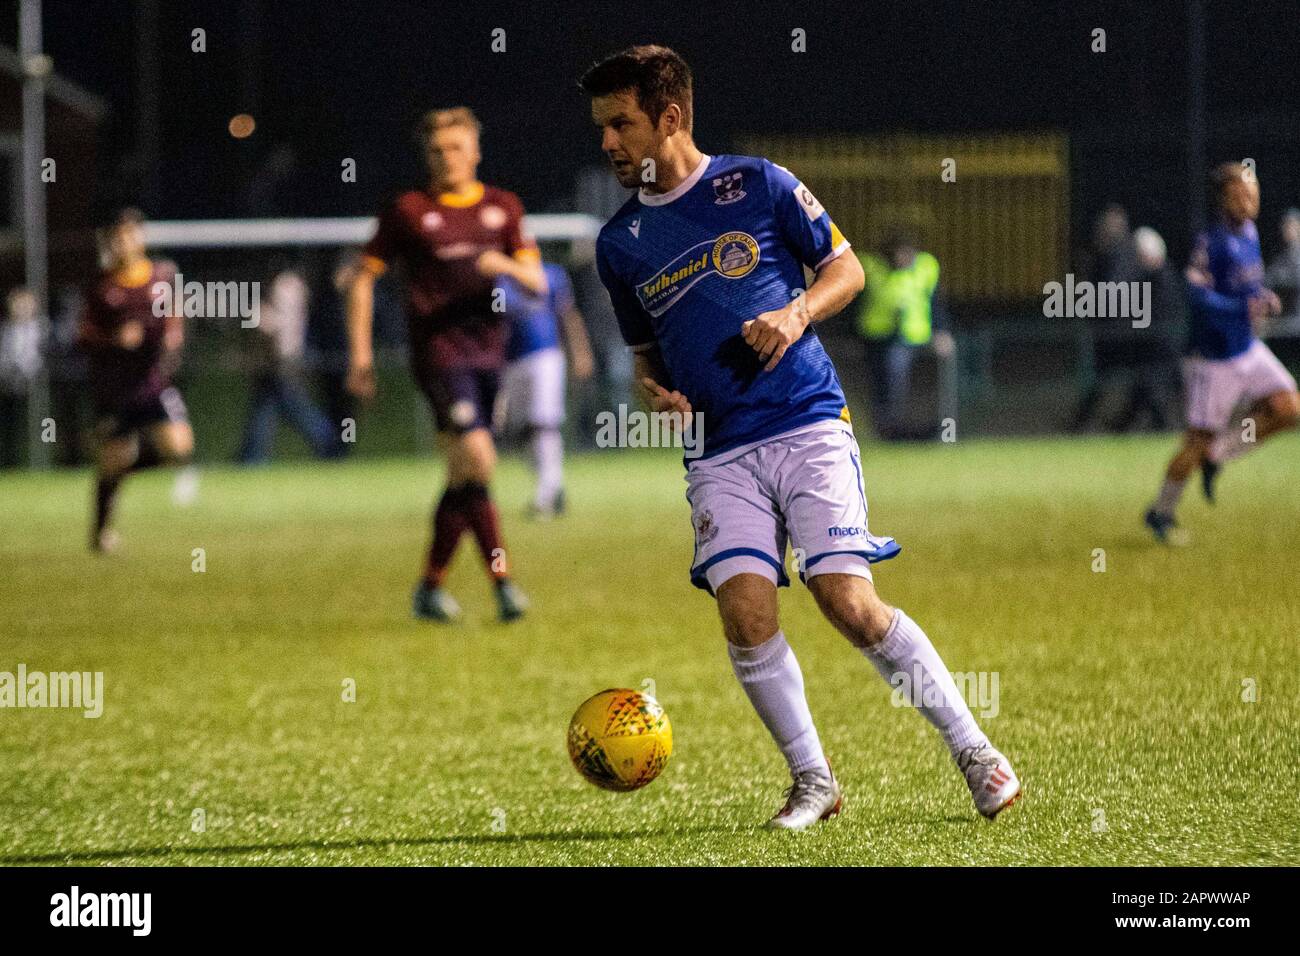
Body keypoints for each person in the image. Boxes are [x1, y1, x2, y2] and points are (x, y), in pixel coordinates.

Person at [585, 45, 1020, 830]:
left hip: (805, 420)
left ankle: (976, 752)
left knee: (846, 601)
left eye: (621, 125)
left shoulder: (756, 182)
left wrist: (795, 313)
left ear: (670, 118)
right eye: (602, 128)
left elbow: (845, 271)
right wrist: (656, 392)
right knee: (746, 613)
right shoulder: (618, 244)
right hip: (718, 450)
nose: (608, 143)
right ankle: (814, 782)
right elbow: (646, 350)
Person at [347, 107, 540, 623]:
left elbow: (538, 282)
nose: (446, 158)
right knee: (478, 458)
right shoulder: (408, 210)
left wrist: (503, 264)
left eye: (455, 148)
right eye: (436, 151)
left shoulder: (504, 207)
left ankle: (430, 587)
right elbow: (362, 279)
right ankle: (502, 583)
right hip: (438, 355)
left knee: (464, 473)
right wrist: (361, 355)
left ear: (475, 151)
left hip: (489, 354)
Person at [1145, 163, 1300, 544]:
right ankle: (1160, 513)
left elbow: (1246, 286)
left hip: (1248, 348)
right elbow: (1196, 296)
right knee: (1195, 442)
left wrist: (1261, 298)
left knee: (1288, 408)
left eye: (1254, 190)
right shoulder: (1210, 241)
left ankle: (1219, 455)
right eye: (1241, 193)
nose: (1251, 199)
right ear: (1224, 199)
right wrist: (1238, 308)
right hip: (1214, 360)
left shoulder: (1250, 232)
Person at [79, 209, 195, 553]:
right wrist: (115, 340)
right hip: (117, 388)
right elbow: (82, 338)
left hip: (154, 383)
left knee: (179, 448)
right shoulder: (102, 287)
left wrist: (173, 339)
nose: (124, 242)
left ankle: (127, 463)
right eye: (117, 237)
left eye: (130, 234)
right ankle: (100, 533)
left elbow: (175, 315)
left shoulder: (162, 275)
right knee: (112, 463)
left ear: (142, 237)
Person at [494, 261, 595, 517]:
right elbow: (494, 324)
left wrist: (580, 352)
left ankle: (547, 493)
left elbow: (568, 315)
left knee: (543, 423)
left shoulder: (551, 273)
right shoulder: (500, 280)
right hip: (510, 361)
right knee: (519, 431)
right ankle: (552, 486)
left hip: (546, 354)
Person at [855, 229, 952, 440]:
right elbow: (853, 302)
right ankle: (886, 428)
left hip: (913, 336)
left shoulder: (926, 267)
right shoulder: (871, 267)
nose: (903, 259)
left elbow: (936, 302)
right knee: (879, 383)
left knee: (896, 374)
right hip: (874, 336)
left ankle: (902, 428)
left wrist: (941, 331)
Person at [237, 267, 339, 464]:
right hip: (279, 361)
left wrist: (258, 318)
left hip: (281, 362)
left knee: (297, 410)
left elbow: (276, 328)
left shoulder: (286, 285)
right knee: (267, 409)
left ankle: (331, 445)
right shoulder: (292, 284)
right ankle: (251, 457)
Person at [1108, 226, 1184, 431]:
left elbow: (1154, 315)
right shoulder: (1152, 277)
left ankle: (1161, 428)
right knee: (1143, 391)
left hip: (1161, 348)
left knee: (1152, 390)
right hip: (1154, 348)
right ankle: (1121, 428)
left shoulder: (1162, 279)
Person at [0, 287, 44, 468]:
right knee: (10, 427)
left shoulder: (42, 328)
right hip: (8, 385)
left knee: (44, 423)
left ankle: (43, 460)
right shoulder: (5, 329)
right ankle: (10, 462)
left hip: (36, 386)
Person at [1264, 207, 1300, 321]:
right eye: (1285, 226)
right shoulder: (1281, 258)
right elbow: (1267, 279)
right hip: (1288, 319)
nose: (1287, 229)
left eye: (1291, 225)